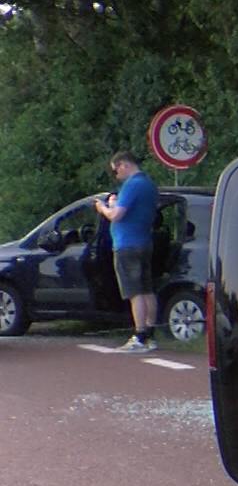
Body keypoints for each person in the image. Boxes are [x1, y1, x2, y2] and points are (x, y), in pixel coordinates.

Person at [94, 151, 159, 352]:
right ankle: (150, 333)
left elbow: (116, 215)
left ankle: (139, 336)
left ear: (124, 165)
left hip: (127, 244)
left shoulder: (132, 185)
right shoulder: (148, 184)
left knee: (134, 291)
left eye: (116, 170)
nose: (116, 175)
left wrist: (103, 207)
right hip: (144, 241)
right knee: (147, 288)